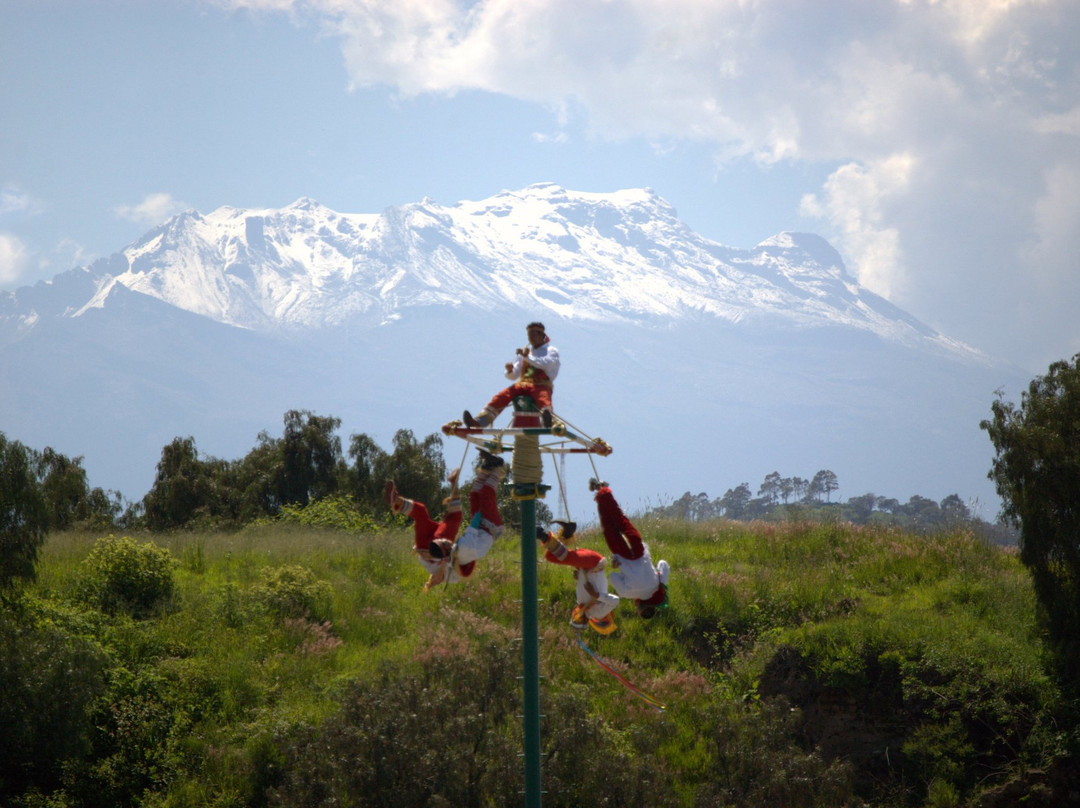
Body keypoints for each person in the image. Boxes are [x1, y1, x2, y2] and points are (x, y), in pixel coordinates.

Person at [384, 451, 506, 592]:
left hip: (438, 546)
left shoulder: (459, 550)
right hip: (432, 546)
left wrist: (435, 576)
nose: (448, 542)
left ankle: (495, 467)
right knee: (424, 512)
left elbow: (465, 535)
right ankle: (491, 467)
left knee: (462, 509)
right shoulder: (462, 551)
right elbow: (459, 544)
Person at [591, 479, 670, 618]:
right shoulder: (627, 593)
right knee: (608, 526)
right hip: (622, 555)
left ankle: (606, 491)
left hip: (639, 550)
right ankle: (600, 492)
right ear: (642, 607)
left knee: (620, 519)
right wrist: (623, 573)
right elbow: (613, 577)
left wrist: (660, 579)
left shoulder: (657, 586)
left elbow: (663, 564)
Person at [463, 321, 560, 429]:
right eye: (529, 335)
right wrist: (509, 371)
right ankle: (479, 422)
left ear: (542, 335)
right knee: (502, 396)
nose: (530, 338)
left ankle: (548, 420)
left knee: (543, 397)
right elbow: (514, 376)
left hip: (541, 384)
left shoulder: (551, 351)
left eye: (533, 335)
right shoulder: (526, 353)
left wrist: (526, 357)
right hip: (523, 384)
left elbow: (544, 364)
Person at [537, 520, 619, 635]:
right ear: (585, 620)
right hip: (594, 563)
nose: (575, 615)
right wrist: (597, 595)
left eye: (574, 618)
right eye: (578, 620)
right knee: (563, 556)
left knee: (550, 556)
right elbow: (615, 600)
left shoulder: (581, 602)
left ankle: (566, 533)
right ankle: (543, 535)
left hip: (584, 565)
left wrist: (578, 576)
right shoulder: (597, 613)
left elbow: (586, 582)